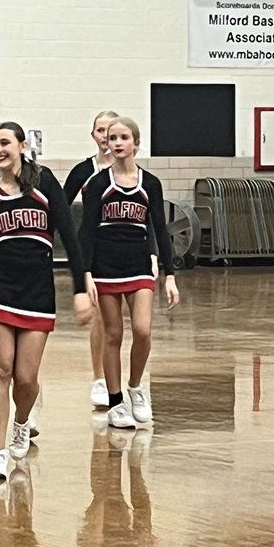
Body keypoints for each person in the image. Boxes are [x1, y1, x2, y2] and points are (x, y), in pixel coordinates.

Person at [0, 122, 95, 481]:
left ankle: (22, 421)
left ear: (21, 146)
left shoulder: (45, 183)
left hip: (37, 290)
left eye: (4, 142)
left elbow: (69, 233)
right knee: (0, 369)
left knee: (25, 377)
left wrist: (81, 288)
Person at [79, 117, 179, 430]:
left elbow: (160, 229)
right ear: (106, 143)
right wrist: (85, 274)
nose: (118, 143)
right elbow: (87, 231)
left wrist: (170, 273)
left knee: (143, 329)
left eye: (124, 137)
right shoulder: (97, 184)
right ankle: (115, 400)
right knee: (113, 334)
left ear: (136, 142)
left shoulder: (150, 183)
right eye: (112, 138)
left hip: (138, 265)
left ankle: (136, 387)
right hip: (106, 268)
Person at [64, 110, 120, 409]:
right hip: (93, 249)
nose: (105, 136)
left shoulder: (130, 172)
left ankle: (120, 379)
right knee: (99, 315)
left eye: (111, 130)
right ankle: (99, 378)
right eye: (100, 130)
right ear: (94, 135)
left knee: (119, 321)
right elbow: (60, 204)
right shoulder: (83, 170)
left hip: (123, 249)